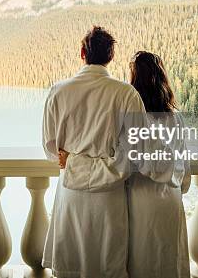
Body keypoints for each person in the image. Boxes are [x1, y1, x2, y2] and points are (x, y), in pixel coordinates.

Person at [60, 51, 191, 278]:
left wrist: (73, 161)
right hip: (170, 200)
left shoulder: (130, 119)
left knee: (141, 266)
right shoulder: (175, 117)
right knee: (169, 264)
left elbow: (120, 162)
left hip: (139, 204)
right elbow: (184, 170)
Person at [41, 26, 147, 278]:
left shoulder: (58, 91)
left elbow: (49, 148)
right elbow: (137, 151)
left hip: (71, 195)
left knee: (71, 264)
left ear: (82, 53)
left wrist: (74, 161)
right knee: (108, 265)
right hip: (109, 198)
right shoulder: (126, 94)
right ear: (110, 57)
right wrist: (103, 164)